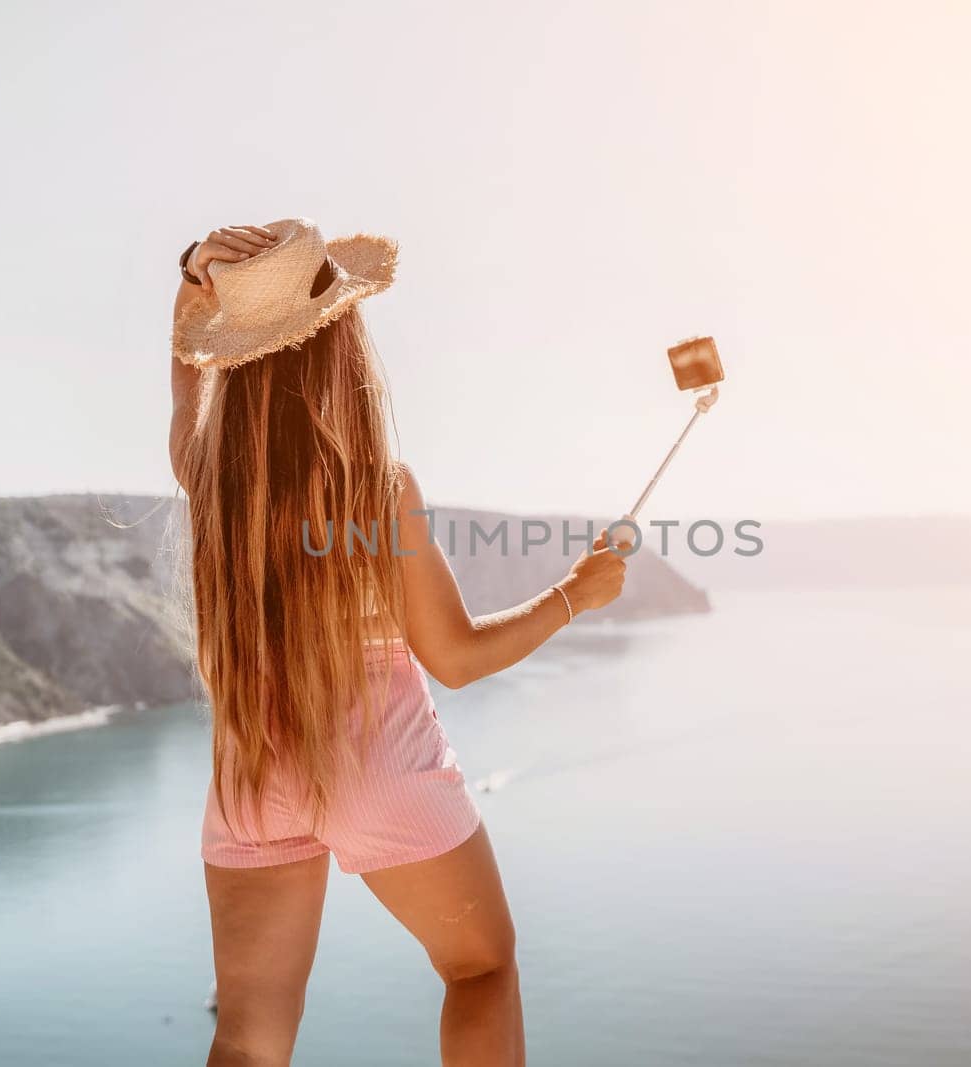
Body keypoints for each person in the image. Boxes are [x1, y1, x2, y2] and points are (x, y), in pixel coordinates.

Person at [167, 219, 628, 1066]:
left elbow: (189, 392)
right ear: (339, 337)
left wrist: (195, 288)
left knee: (247, 1039)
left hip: (253, 775)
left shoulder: (212, 480)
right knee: (480, 970)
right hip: (380, 766)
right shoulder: (376, 485)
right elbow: (453, 656)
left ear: (232, 348)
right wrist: (575, 593)